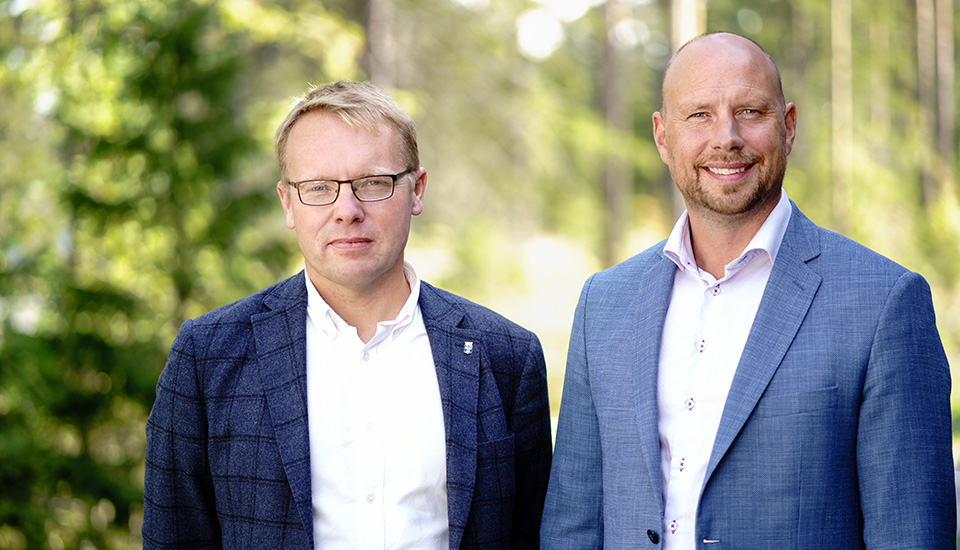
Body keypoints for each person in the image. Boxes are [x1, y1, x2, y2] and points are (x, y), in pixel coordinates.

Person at [541, 32, 955, 548]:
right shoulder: (604, 304)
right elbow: (573, 525)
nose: (727, 138)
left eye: (750, 112)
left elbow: (911, 534)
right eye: (699, 115)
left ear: (788, 126)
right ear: (662, 136)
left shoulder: (884, 302)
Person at [143, 80, 552, 549]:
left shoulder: (506, 357)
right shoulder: (207, 357)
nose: (347, 210)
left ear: (417, 191)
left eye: (373, 183)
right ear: (288, 203)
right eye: (318, 188)